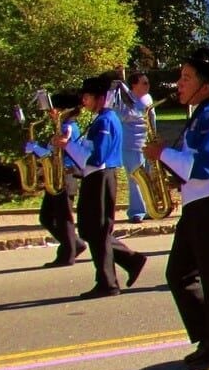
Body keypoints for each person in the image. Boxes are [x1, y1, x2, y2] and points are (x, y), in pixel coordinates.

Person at [143, 47, 209, 370]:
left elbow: (204, 167)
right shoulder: (199, 116)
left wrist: (162, 154)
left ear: (205, 85)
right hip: (197, 205)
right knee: (179, 273)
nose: (179, 83)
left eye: (186, 78)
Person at [56, 74, 147, 298]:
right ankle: (129, 260)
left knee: (97, 230)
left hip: (101, 177)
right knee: (90, 229)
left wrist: (67, 146)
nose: (84, 101)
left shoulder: (106, 121)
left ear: (98, 97)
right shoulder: (100, 119)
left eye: (87, 97)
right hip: (94, 177)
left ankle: (108, 281)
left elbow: (97, 157)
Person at [28, 92, 86, 267]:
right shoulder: (62, 126)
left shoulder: (68, 128)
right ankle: (74, 243)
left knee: (63, 218)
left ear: (64, 110)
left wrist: (36, 148)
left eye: (56, 109)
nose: (51, 112)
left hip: (65, 175)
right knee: (46, 217)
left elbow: (57, 152)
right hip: (55, 175)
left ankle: (67, 254)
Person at [116, 71, 152, 223]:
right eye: (144, 83)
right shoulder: (124, 99)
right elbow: (121, 117)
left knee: (149, 178)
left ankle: (151, 208)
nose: (147, 85)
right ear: (133, 85)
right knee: (136, 179)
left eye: (147, 82)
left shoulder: (148, 98)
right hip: (132, 145)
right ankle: (137, 212)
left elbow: (152, 120)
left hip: (148, 144)